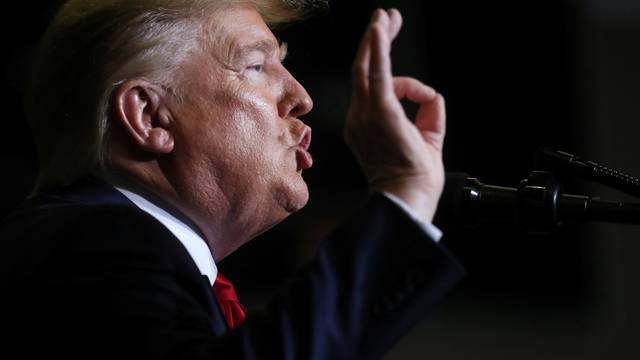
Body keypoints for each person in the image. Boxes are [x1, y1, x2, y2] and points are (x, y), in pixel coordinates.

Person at [0, 0, 464, 358]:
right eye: (256, 66)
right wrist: (405, 193)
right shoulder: (98, 244)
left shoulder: (103, 248)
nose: (301, 97)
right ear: (149, 116)